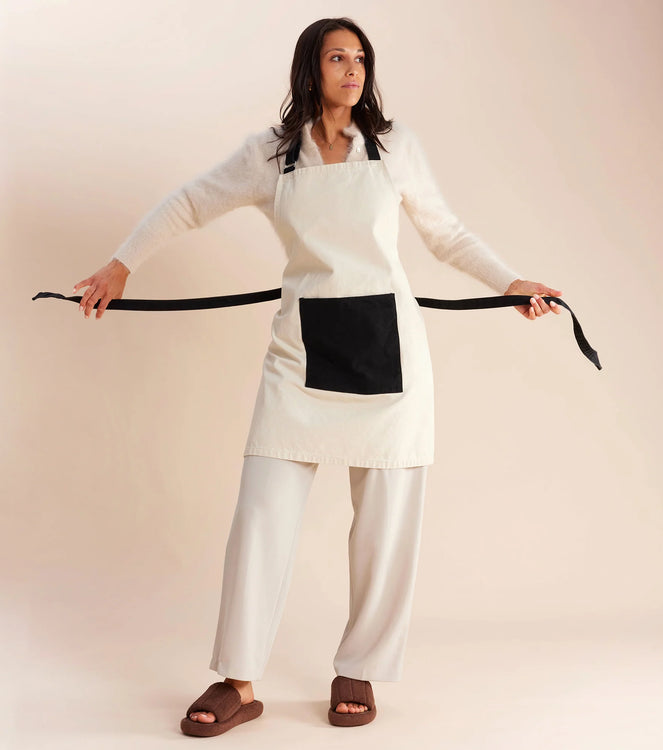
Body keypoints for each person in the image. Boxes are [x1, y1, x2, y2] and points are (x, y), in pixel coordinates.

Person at [73, 17, 561, 736]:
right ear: (311, 69)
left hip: (391, 355)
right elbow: (188, 202)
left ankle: (358, 665)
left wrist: (510, 281)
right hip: (300, 355)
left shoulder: (395, 149)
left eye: (360, 58)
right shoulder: (271, 156)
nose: (353, 69)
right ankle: (236, 679)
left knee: (386, 522)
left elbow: (446, 233)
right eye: (338, 57)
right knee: (262, 515)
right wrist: (121, 263)